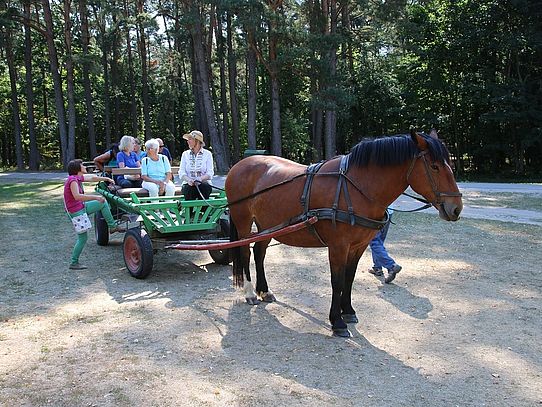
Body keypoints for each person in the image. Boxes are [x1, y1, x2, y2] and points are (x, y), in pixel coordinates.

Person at [64, 159, 122, 270]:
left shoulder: (77, 177)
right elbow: (77, 196)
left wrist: (106, 178)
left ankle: (112, 227)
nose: (84, 167)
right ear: (78, 169)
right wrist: (95, 197)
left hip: (81, 206)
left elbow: (92, 178)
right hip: (76, 211)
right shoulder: (73, 181)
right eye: (82, 165)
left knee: (103, 203)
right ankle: (74, 262)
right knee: (83, 238)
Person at [178, 130, 214, 200]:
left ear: (197, 141)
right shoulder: (185, 154)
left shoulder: (207, 154)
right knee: (189, 190)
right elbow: (181, 172)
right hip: (188, 184)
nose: (188, 141)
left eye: (190, 139)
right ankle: (189, 211)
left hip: (204, 184)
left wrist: (200, 179)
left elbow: (210, 173)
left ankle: (204, 210)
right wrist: (189, 180)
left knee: (204, 187)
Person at [368, 209, 402, 283]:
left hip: (377, 212)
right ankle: (377, 268)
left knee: (375, 242)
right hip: (389, 212)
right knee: (379, 242)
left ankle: (391, 266)